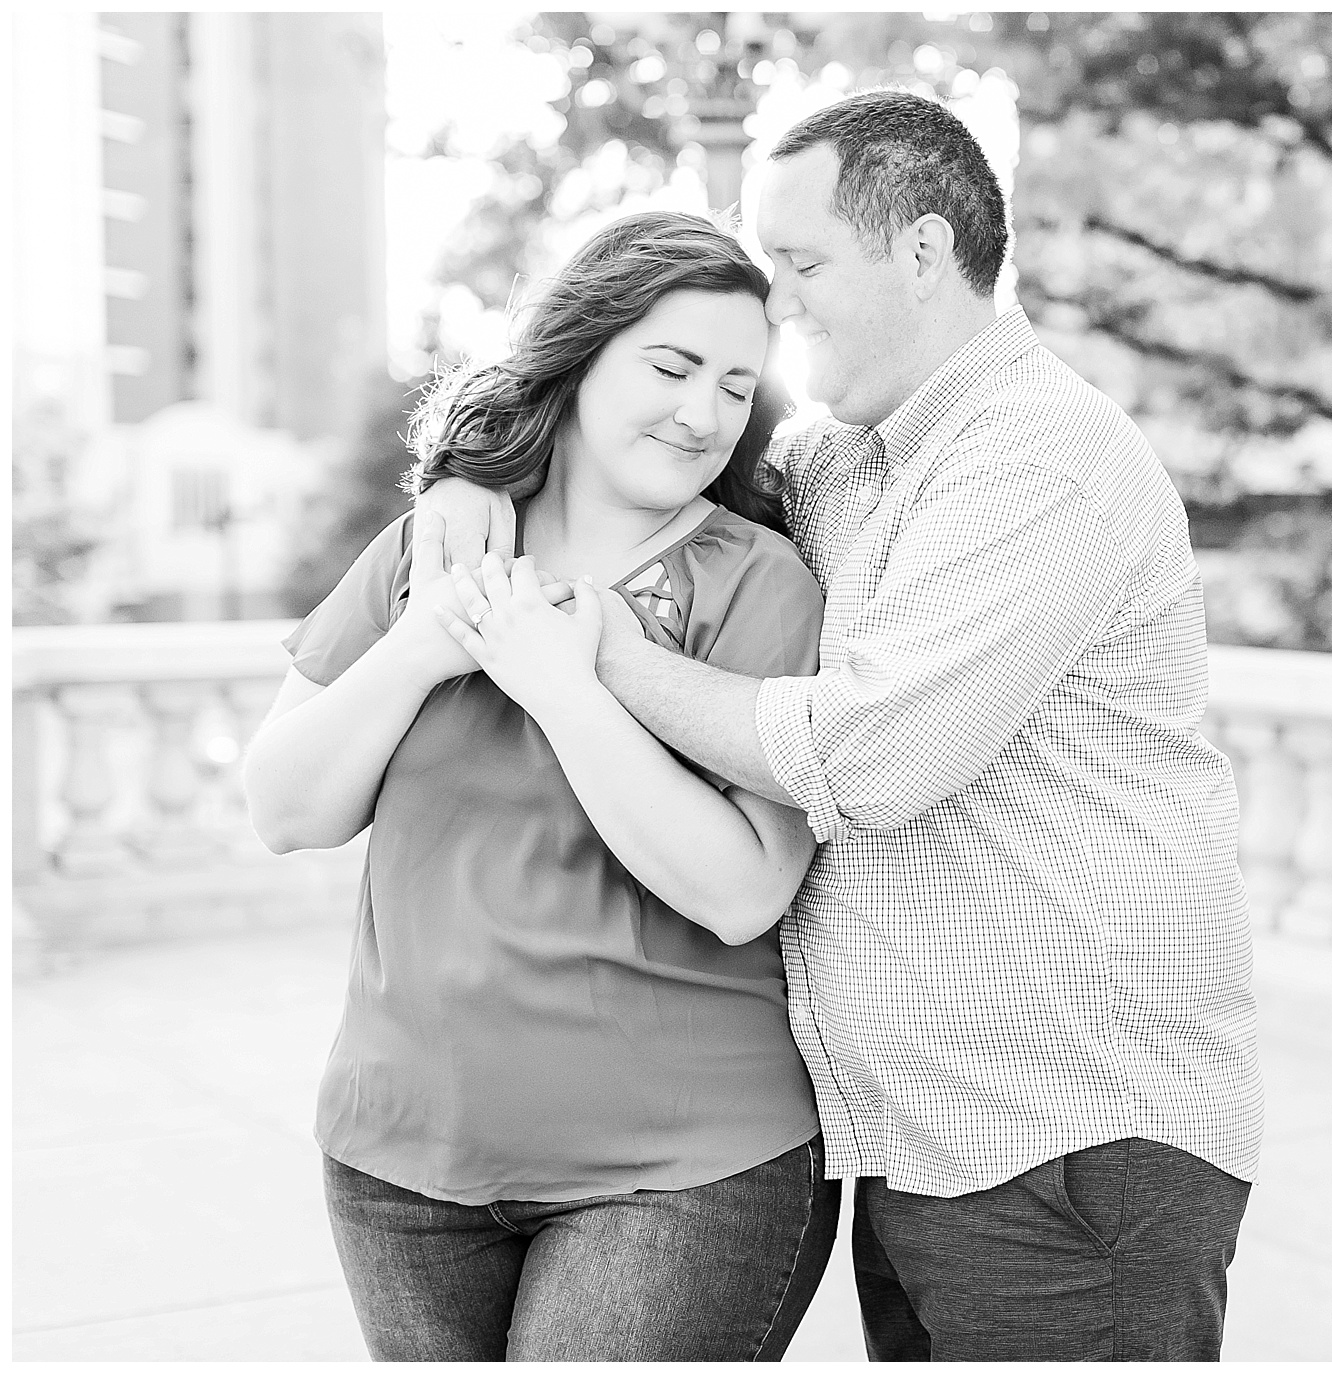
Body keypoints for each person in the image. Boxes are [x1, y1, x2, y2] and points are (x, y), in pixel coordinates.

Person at [421, 89, 1263, 1361]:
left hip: (1070, 1135)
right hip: (917, 1135)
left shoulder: (1040, 452)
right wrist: (468, 479)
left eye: (802, 262)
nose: (779, 303)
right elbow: (632, 439)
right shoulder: (837, 460)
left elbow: (872, 755)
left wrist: (602, 659)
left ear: (922, 250)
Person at [242, 212, 838, 1361]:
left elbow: (741, 890)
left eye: (733, 383)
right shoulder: (432, 543)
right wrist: (428, 640)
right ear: (576, 355)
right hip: (397, 1165)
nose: (702, 412)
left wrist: (566, 686)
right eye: (668, 367)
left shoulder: (757, 582)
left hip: (678, 1176)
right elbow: (285, 809)